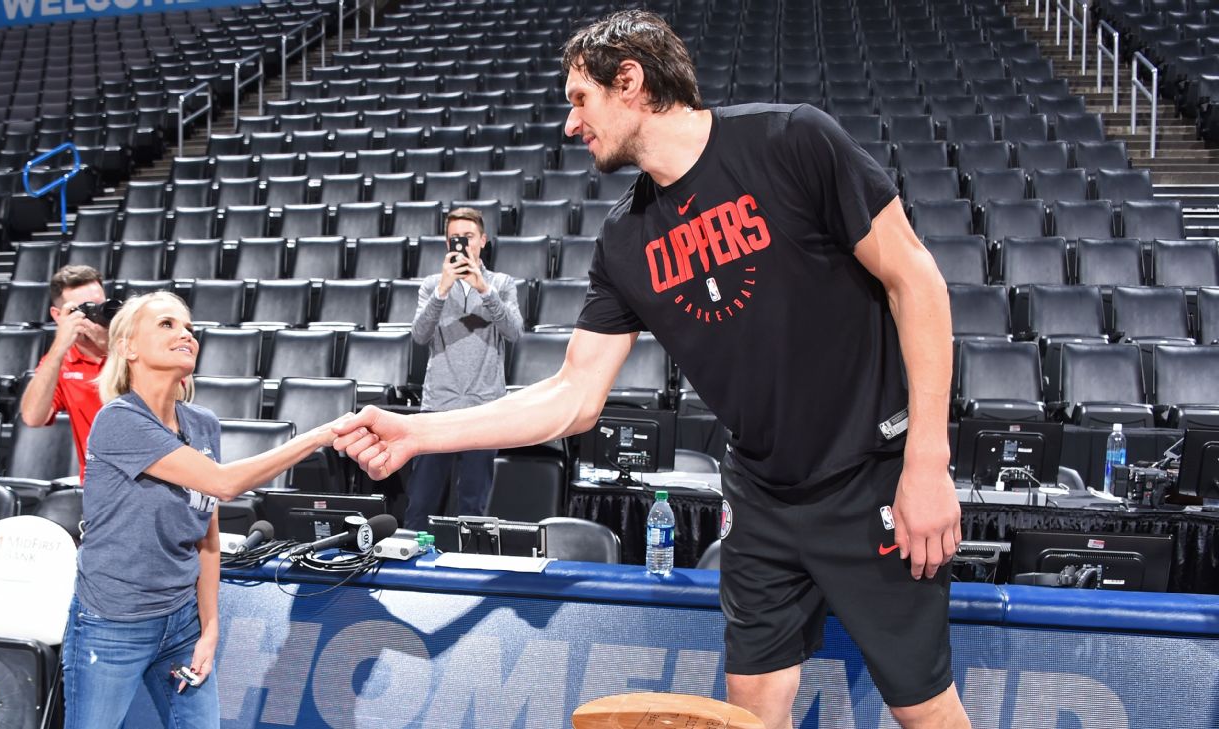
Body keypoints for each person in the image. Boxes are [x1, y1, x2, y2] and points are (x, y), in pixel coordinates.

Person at [334, 10, 970, 729]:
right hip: (763, 497)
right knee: (751, 715)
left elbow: (916, 282)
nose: (572, 126)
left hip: (870, 474)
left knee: (926, 713)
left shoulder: (793, 139)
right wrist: (419, 433)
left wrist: (926, 459)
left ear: (630, 81)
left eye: (580, 100)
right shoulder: (624, 242)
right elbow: (572, 397)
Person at [61, 292, 350, 729]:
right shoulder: (119, 420)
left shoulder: (203, 424)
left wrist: (209, 628)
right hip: (112, 623)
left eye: (189, 328)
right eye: (167, 325)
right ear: (128, 347)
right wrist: (319, 435)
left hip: (180, 623)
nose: (185, 335)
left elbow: (206, 534)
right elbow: (225, 483)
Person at [403, 207, 524, 530]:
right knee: (421, 502)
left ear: (482, 241)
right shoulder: (432, 285)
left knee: (474, 505)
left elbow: (514, 332)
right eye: (455, 238)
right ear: (447, 243)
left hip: (484, 409)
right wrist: (443, 290)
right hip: (438, 407)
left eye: (469, 237)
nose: (463, 244)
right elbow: (419, 335)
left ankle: (470, 571)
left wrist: (484, 289)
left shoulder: (502, 283)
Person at [20, 265, 111, 478]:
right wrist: (59, 346)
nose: (93, 316)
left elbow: (172, 400)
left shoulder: (136, 346)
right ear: (58, 315)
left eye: (99, 306)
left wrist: (111, 348)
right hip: (100, 485)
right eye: (82, 310)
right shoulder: (60, 361)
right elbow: (33, 417)